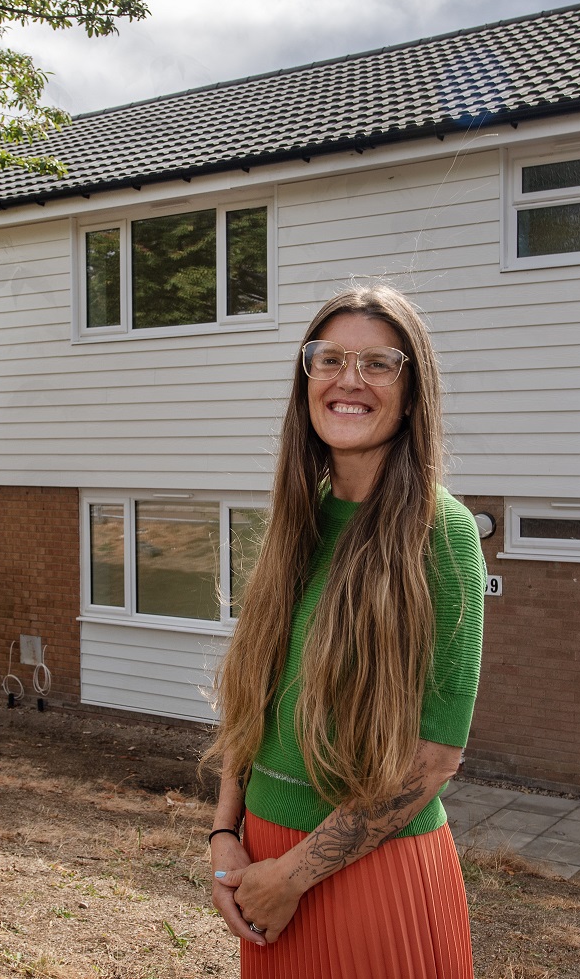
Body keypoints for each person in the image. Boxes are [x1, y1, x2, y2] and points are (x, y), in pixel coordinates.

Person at [205, 284, 484, 978]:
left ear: (412, 391)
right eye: (327, 359)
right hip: (263, 861)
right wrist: (223, 831)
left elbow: (434, 757)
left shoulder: (440, 531)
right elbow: (254, 696)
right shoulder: (299, 516)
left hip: (369, 873)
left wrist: (293, 874)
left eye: (378, 363)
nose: (347, 380)